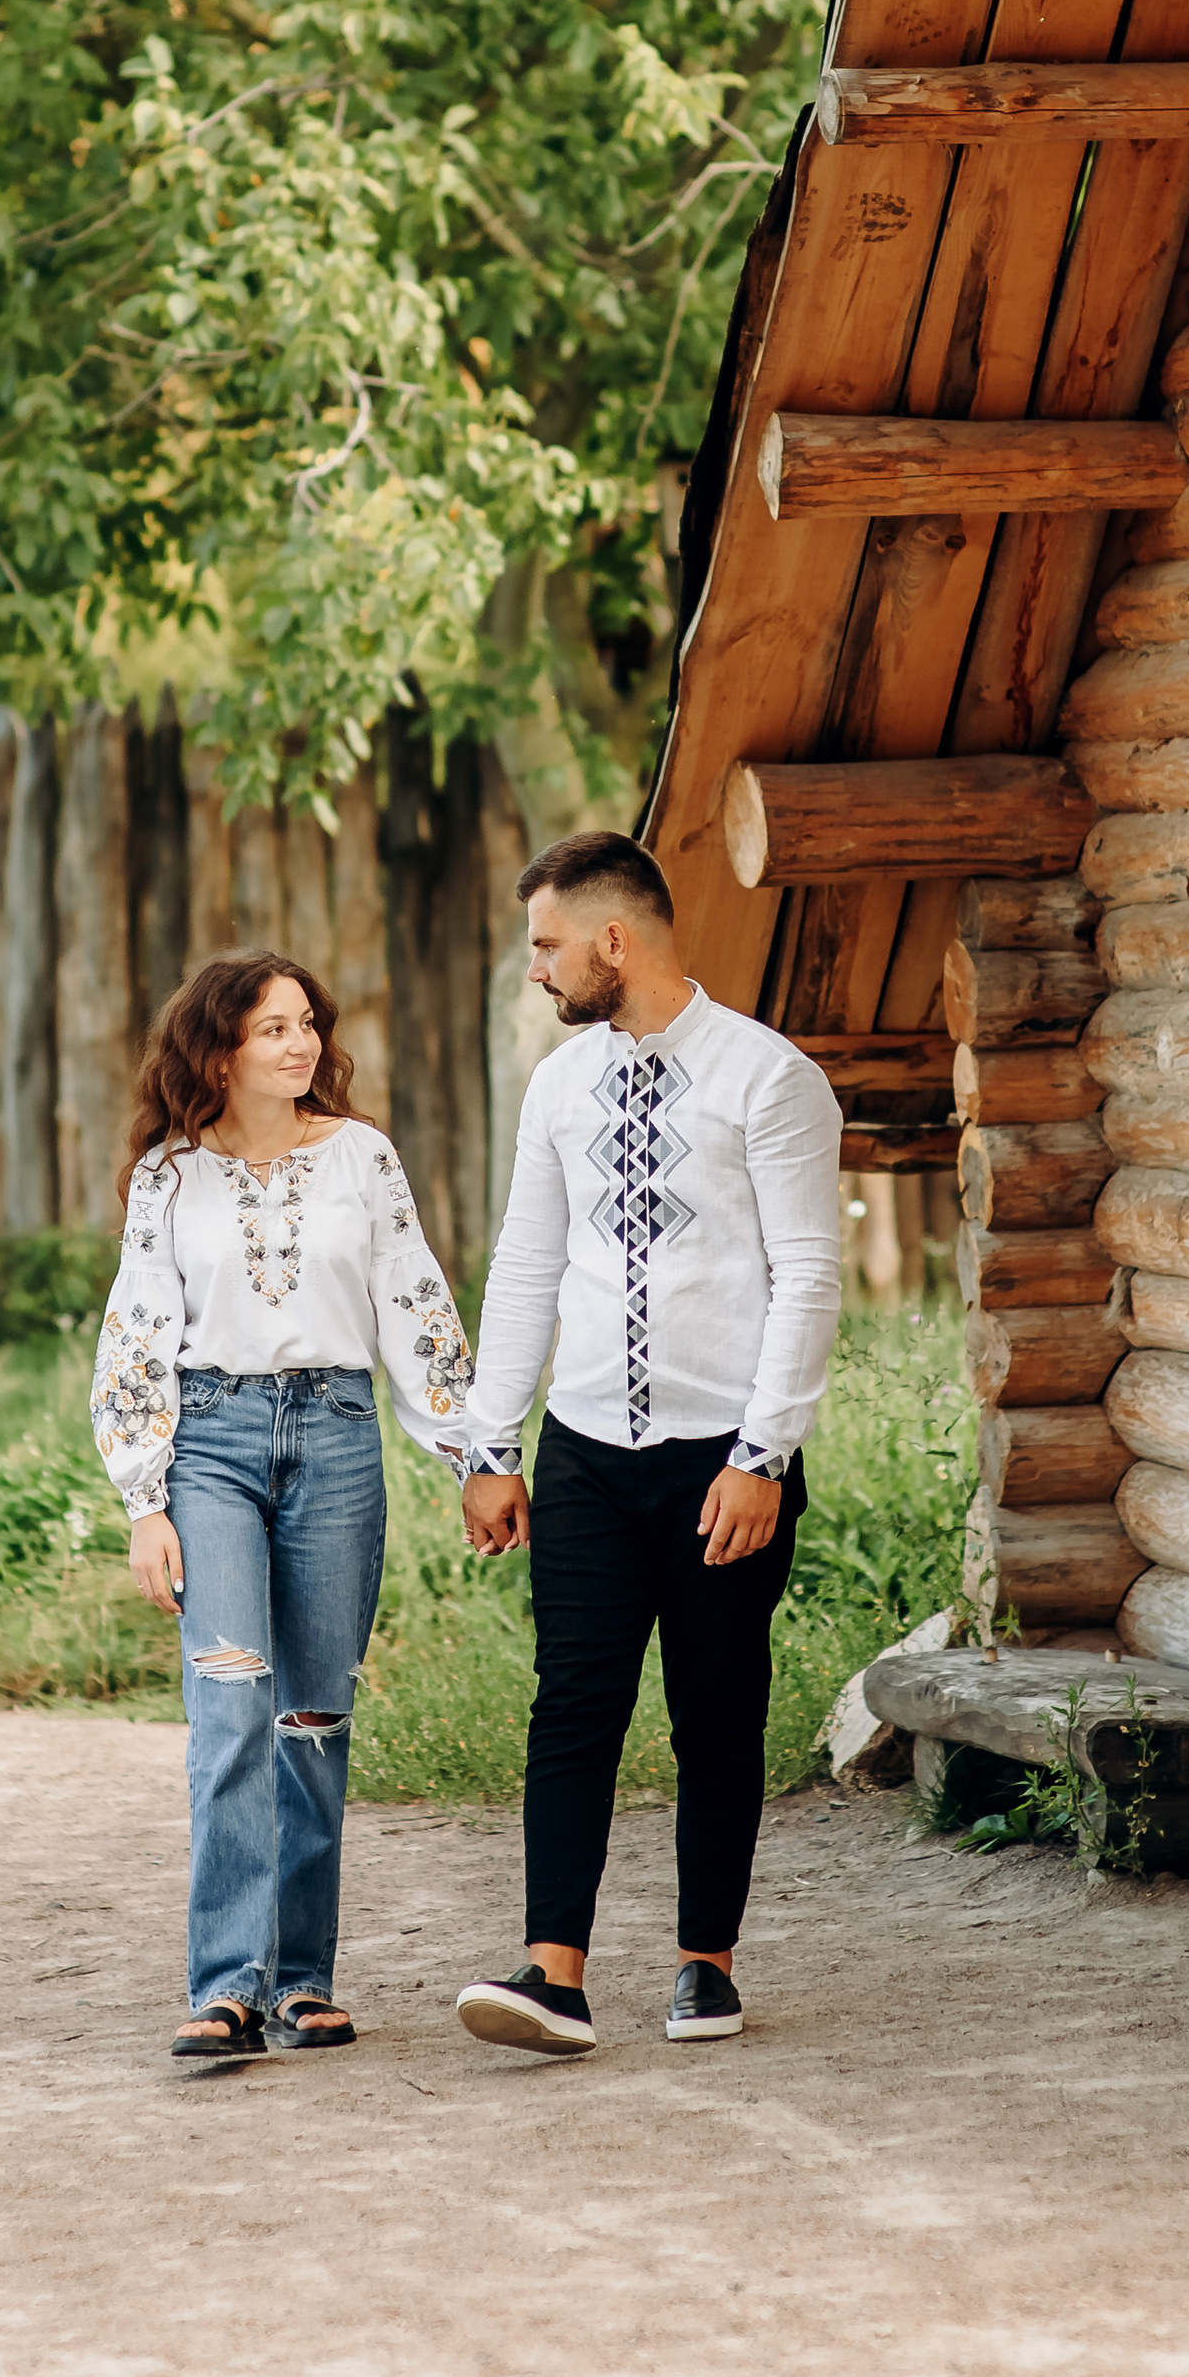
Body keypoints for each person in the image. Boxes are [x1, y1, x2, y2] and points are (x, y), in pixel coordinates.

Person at [92, 948, 523, 2064]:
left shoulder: (362, 1158)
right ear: (219, 1051)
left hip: (335, 1437)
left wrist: (476, 1455)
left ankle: (301, 1981)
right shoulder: (170, 1176)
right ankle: (225, 1986)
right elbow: (137, 1329)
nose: (302, 1044)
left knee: (313, 1720)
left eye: (307, 1024)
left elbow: (414, 1305)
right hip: (211, 1447)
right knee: (231, 1707)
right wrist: (145, 1497)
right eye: (273, 1028)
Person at [452, 833, 841, 2056]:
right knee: (572, 1703)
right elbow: (526, 1265)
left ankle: (704, 1966)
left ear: (613, 940)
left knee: (714, 1712)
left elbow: (808, 1275)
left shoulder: (768, 1078)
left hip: (720, 1456)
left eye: (548, 944)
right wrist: (489, 1445)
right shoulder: (558, 1086)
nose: (536, 968)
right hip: (583, 1450)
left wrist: (761, 1457)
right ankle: (552, 1973)